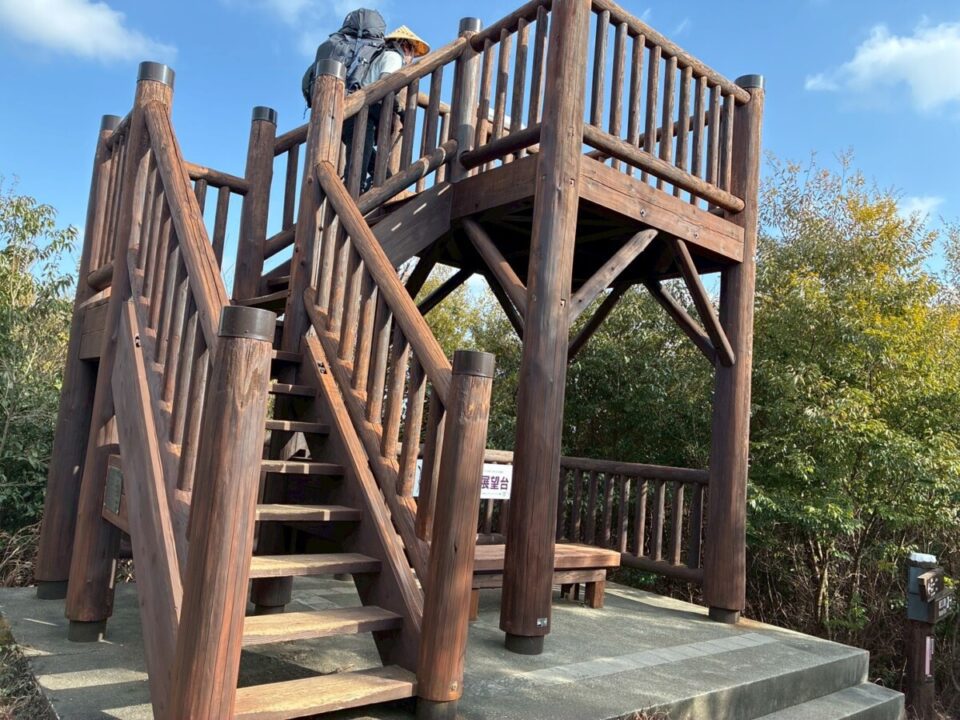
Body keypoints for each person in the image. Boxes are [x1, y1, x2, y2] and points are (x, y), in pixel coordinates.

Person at [303, 12, 430, 191]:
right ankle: (352, 193)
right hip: (362, 113)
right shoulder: (393, 57)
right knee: (359, 163)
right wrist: (400, 111)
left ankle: (376, 184)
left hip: (347, 109)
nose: (412, 58)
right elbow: (386, 86)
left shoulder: (379, 55)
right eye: (413, 53)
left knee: (368, 157)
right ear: (406, 46)